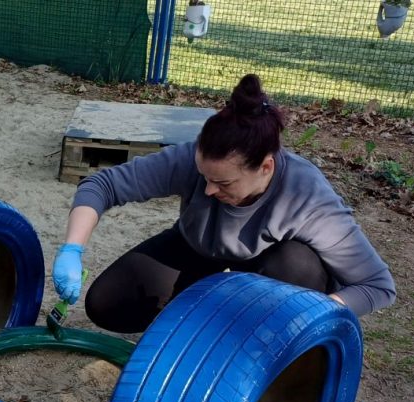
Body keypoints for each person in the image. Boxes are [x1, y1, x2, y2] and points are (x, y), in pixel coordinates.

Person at [52, 74, 395, 334]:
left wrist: (313, 313)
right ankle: (198, 310)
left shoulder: (306, 194)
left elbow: (376, 286)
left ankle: (254, 331)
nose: (209, 190)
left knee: (297, 265)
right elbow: (102, 185)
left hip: (272, 268)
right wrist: (72, 249)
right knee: (106, 305)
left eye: (224, 182)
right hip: (196, 247)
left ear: (266, 167)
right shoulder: (194, 160)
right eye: (204, 176)